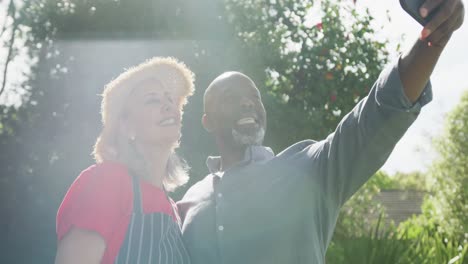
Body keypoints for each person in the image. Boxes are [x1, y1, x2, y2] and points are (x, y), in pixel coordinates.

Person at [176, 1, 465, 263]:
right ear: (208, 122)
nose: (247, 102)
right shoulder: (184, 205)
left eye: (254, 97)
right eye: (230, 97)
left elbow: (376, 115)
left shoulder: (310, 171)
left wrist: (433, 40)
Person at [55, 57, 194, 264]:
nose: (168, 105)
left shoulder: (174, 208)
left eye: (169, 99)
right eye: (152, 100)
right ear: (126, 126)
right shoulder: (108, 181)